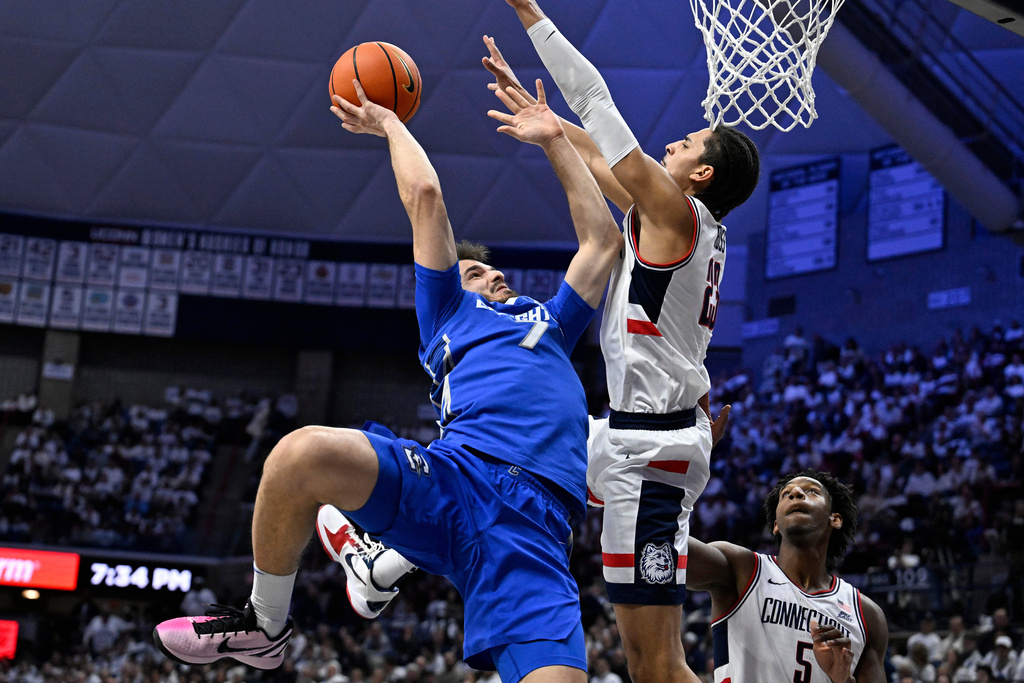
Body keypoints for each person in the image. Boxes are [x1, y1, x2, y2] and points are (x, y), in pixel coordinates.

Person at [151, 77, 623, 683]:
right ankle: (264, 626)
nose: (496, 276)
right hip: (458, 477)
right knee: (298, 455)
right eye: (478, 271)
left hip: (536, 533)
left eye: (496, 269)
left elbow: (603, 240)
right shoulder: (448, 311)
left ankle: (376, 557)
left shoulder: (549, 322)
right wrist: (391, 123)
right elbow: (425, 195)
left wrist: (556, 137)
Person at [490, 2, 760, 681]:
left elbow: (601, 110)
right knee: (506, 439)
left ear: (701, 175)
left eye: (688, 144)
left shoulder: (677, 212)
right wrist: (555, 131)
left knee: (657, 668)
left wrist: (530, 14)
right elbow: (601, 153)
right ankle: (393, 550)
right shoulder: (671, 217)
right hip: (642, 436)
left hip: (648, 453)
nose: (673, 142)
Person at [686, 469, 889, 682]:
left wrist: (843, 680)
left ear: (835, 519)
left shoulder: (866, 615)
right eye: (787, 494)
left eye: (811, 491)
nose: (796, 493)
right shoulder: (741, 568)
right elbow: (667, 552)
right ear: (775, 525)